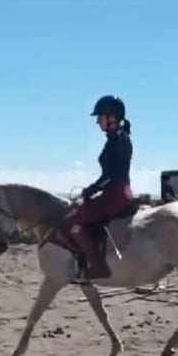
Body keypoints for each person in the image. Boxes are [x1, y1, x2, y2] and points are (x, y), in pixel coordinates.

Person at [64, 95, 136, 281]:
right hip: (115, 190)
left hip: (116, 193)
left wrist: (91, 190)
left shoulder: (118, 139)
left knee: (74, 221)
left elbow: (111, 175)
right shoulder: (116, 137)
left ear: (111, 117)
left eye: (100, 117)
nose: (97, 121)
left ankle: (97, 265)